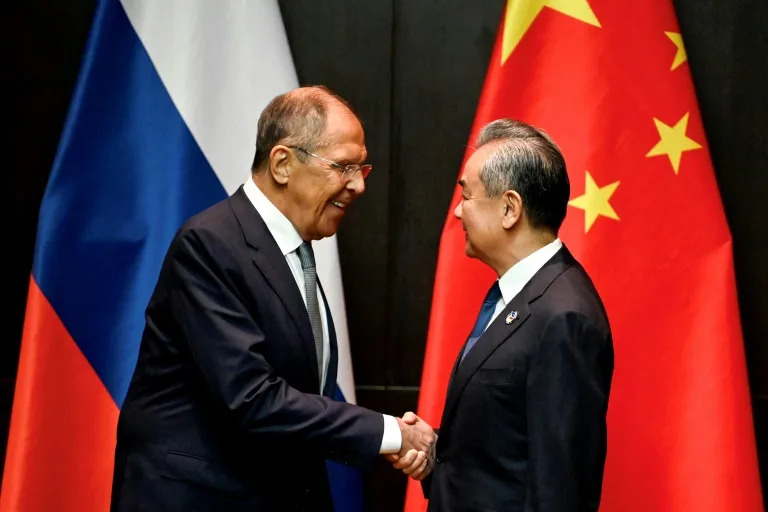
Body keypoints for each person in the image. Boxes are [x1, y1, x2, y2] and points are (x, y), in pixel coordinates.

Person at [110, 86, 434, 511]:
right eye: (343, 166)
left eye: (362, 168)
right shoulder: (211, 245)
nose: (357, 185)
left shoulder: (294, 253)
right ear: (282, 163)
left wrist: (382, 437)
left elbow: (300, 389)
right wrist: (389, 432)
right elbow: (252, 398)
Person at [410, 119, 614, 511]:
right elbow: (505, 449)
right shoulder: (517, 294)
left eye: (466, 196)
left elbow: (560, 489)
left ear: (509, 208)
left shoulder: (564, 317)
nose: (456, 212)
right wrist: (435, 450)